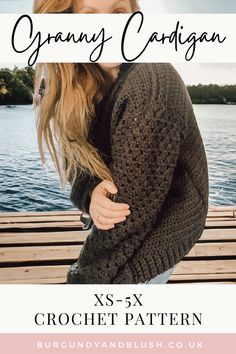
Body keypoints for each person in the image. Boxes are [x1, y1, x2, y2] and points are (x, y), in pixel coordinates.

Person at [33, 0, 209, 284]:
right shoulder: (84, 83)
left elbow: (130, 219)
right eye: (88, 16)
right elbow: (81, 168)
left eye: (118, 12)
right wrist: (91, 195)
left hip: (164, 229)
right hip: (130, 222)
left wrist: (81, 284)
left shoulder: (150, 85)